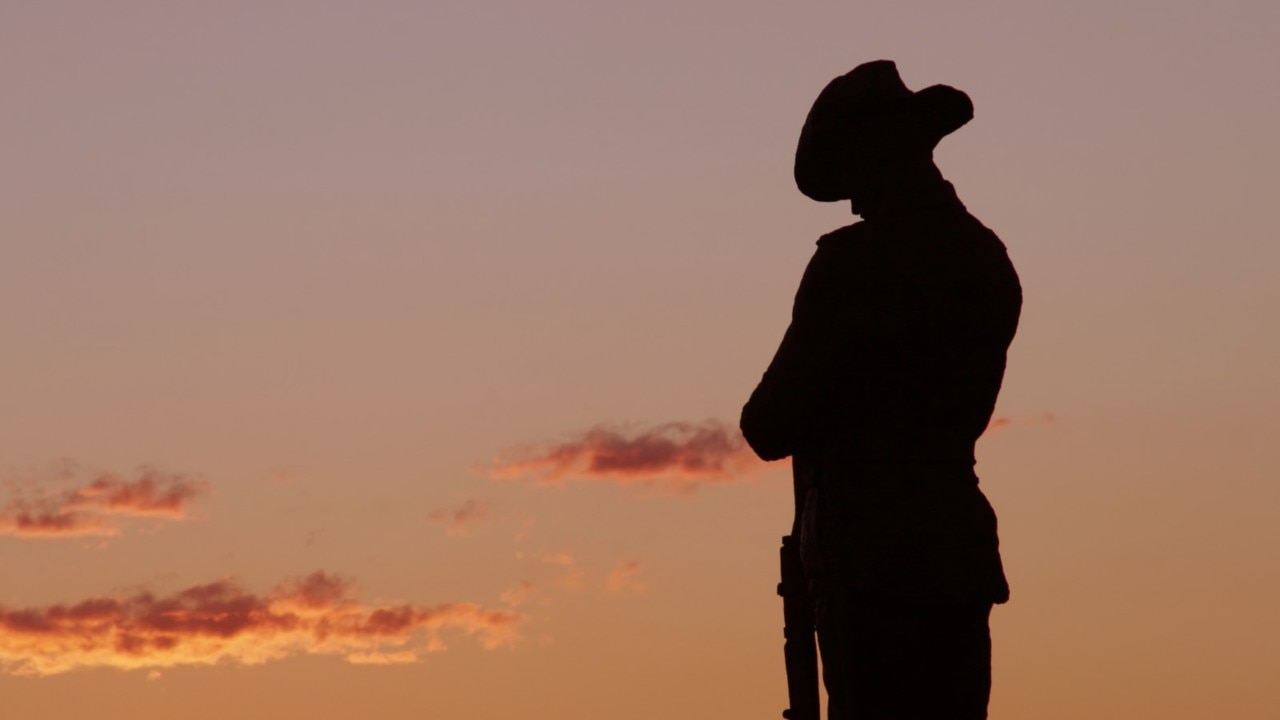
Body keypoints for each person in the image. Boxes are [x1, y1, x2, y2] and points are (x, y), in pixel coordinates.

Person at [741, 60, 1021, 720]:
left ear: (875, 156)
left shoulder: (853, 264)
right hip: (954, 548)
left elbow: (768, 424)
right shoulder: (984, 256)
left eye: (854, 177)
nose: (854, 199)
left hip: (869, 563)